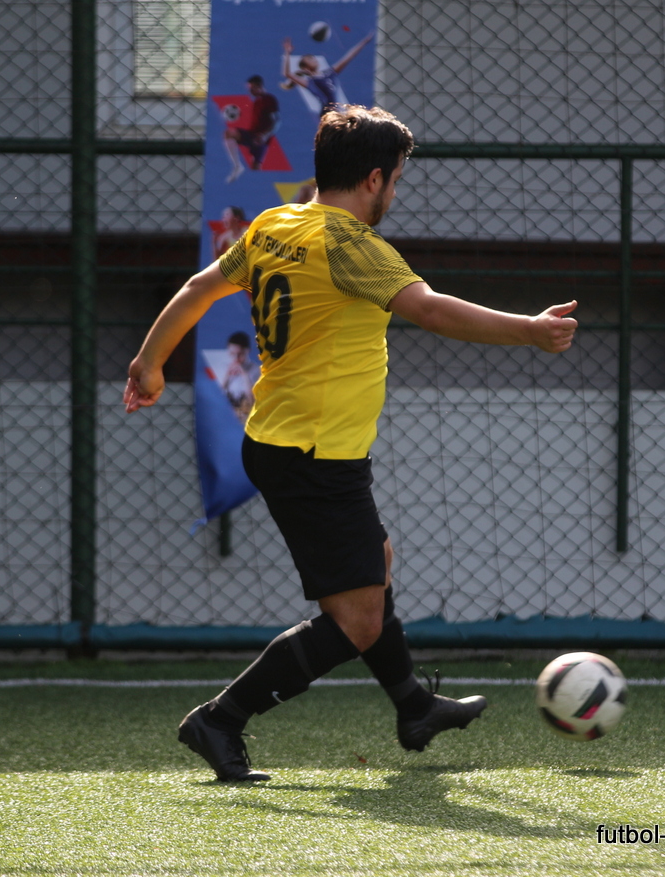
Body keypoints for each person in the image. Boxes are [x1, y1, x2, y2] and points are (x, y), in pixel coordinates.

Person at [124, 105, 578, 782]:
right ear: (373, 179)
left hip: (287, 442)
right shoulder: (353, 245)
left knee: (376, 565)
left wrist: (149, 363)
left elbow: (198, 288)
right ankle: (220, 719)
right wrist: (531, 331)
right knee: (358, 620)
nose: (395, 191)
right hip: (313, 457)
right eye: (396, 179)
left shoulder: (275, 224)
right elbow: (429, 309)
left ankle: (413, 706)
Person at [281, 31, 374, 114]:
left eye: (313, 57)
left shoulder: (329, 73)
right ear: (306, 68)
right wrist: (287, 52)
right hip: (327, 114)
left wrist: (364, 42)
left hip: (336, 113)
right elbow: (287, 73)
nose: (314, 59)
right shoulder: (311, 82)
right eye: (309, 59)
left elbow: (348, 57)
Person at [224, 75, 279, 183]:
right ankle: (237, 166)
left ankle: (259, 188)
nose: (250, 91)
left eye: (252, 88)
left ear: (259, 86)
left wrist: (265, 135)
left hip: (261, 139)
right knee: (229, 133)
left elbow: (277, 121)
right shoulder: (257, 101)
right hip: (252, 135)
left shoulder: (269, 99)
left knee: (255, 168)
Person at [221, 330, 259, 424]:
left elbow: (252, 401)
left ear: (247, 351)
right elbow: (216, 398)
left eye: (240, 354)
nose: (236, 358)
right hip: (227, 420)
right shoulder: (223, 369)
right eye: (232, 354)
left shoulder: (257, 371)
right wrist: (227, 376)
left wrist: (244, 375)